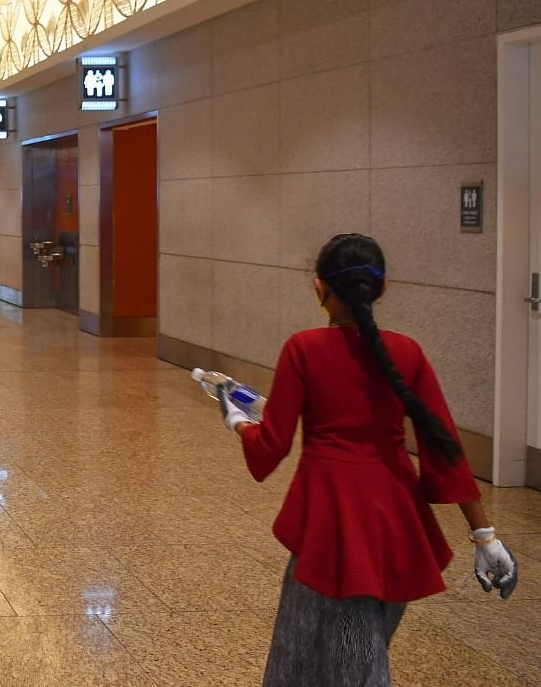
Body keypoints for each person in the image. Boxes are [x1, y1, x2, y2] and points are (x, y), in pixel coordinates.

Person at [216, 234, 518, 686]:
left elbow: (272, 444)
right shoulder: (407, 352)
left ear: (320, 289)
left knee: (335, 658)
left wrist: (236, 421)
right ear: (382, 288)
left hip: (332, 522)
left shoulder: (304, 348)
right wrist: (483, 536)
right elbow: (443, 445)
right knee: (361, 644)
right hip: (395, 519)